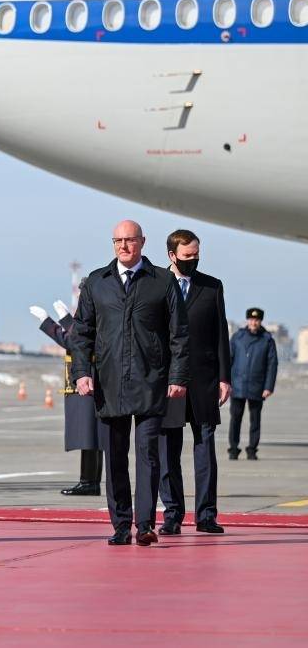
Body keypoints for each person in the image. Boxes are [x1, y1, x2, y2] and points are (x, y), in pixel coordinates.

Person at [71, 220, 189, 547]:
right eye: (118, 241)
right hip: (109, 385)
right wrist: (81, 372)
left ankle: (146, 523)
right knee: (116, 458)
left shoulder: (163, 281)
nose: (124, 246)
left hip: (151, 382)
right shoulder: (97, 282)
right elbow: (81, 333)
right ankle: (121, 525)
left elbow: (179, 335)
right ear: (113, 244)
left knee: (148, 455)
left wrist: (178, 377)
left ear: (142, 242)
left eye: (130, 240)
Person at [157, 229, 230, 535]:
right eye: (187, 256)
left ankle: (207, 515)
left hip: (204, 380)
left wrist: (225, 377)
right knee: (167, 451)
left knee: (205, 449)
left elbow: (220, 335)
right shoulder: (157, 284)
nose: (193, 260)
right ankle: (172, 513)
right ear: (172, 256)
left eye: (196, 255)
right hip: (169, 381)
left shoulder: (212, 287)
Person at [30, 296, 102, 496]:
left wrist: (54, 322)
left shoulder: (98, 316)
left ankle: (89, 482)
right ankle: (90, 481)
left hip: (90, 380)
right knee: (91, 437)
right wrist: (66, 320)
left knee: (90, 435)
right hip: (89, 379)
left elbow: (75, 341)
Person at [228, 307, 277, 461]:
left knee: (255, 420)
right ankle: (234, 449)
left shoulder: (267, 339)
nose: (254, 322)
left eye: (257, 320)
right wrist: (225, 382)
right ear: (247, 320)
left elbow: (272, 364)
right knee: (235, 418)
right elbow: (228, 360)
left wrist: (268, 387)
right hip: (237, 385)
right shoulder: (237, 337)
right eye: (251, 319)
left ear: (260, 321)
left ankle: (252, 449)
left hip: (257, 386)